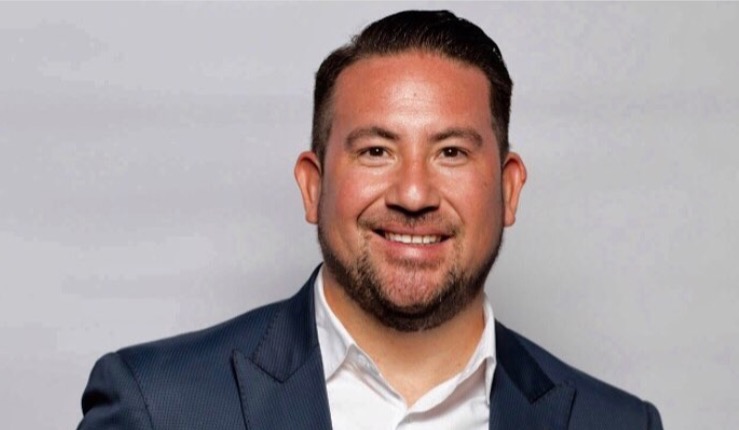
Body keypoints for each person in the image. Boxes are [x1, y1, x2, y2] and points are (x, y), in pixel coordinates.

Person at [77, 10, 662, 430]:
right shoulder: (157, 406)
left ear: (508, 190)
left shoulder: (616, 423)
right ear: (313, 186)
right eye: (376, 151)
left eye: (451, 152)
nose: (413, 193)